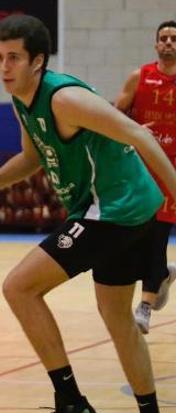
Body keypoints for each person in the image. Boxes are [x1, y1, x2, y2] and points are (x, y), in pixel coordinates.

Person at [0, 14, 176, 413]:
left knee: (19, 287)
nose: (4, 67)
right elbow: (33, 156)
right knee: (117, 318)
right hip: (127, 210)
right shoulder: (21, 100)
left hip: (113, 209)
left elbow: (140, 135)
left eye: (14, 58)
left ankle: (73, 406)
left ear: (38, 61)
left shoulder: (66, 98)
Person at [115, 20, 176, 333]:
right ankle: (161, 276)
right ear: (156, 45)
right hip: (140, 169)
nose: (168, 43)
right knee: (135, 237)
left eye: (173, 39)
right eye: (163, 38)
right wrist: (132, 132)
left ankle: (146, 306)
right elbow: (114, 116)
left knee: (157, 238)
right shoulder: (139, 77)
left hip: (171, 173)